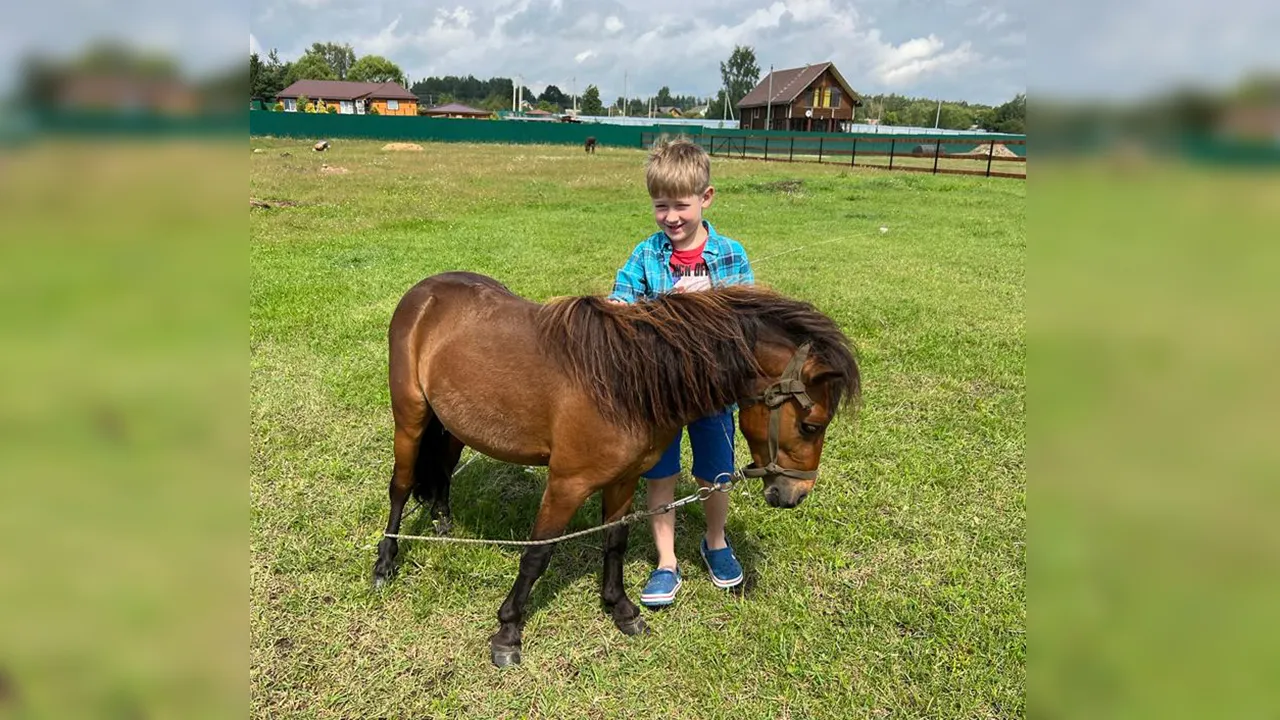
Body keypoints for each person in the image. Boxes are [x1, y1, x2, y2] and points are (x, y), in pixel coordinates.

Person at [607, 135, 755, 607]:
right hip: (660, 397)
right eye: (660, 205)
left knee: (717, 474)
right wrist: (618, 307)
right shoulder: (645, 255)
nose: (671, 217)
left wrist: (707, 308)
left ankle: (715, 542)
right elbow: (622, 301)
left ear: (706, 198)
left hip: (713, 395)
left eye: (681, 205)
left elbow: (748, 324)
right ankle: (666, 561)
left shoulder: (731, 254)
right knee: (661, 475)